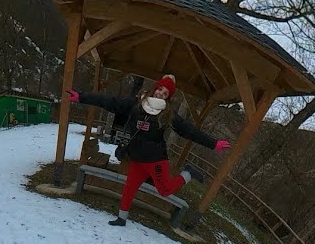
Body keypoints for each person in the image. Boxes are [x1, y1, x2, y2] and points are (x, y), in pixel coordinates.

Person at [65, 75, 231, 226]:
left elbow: (190, 131)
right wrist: (81, 97)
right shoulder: (136, 104)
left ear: (168, 97)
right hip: (137, 158)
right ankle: (122, 218)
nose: (161, 94)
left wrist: (213, 143)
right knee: (129, 188)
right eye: (160, 89)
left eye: (166, 93)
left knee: (165, 190)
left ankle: (188, 173)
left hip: (156, 160)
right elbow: (110, 102)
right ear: (155, 88)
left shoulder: (167, 114)